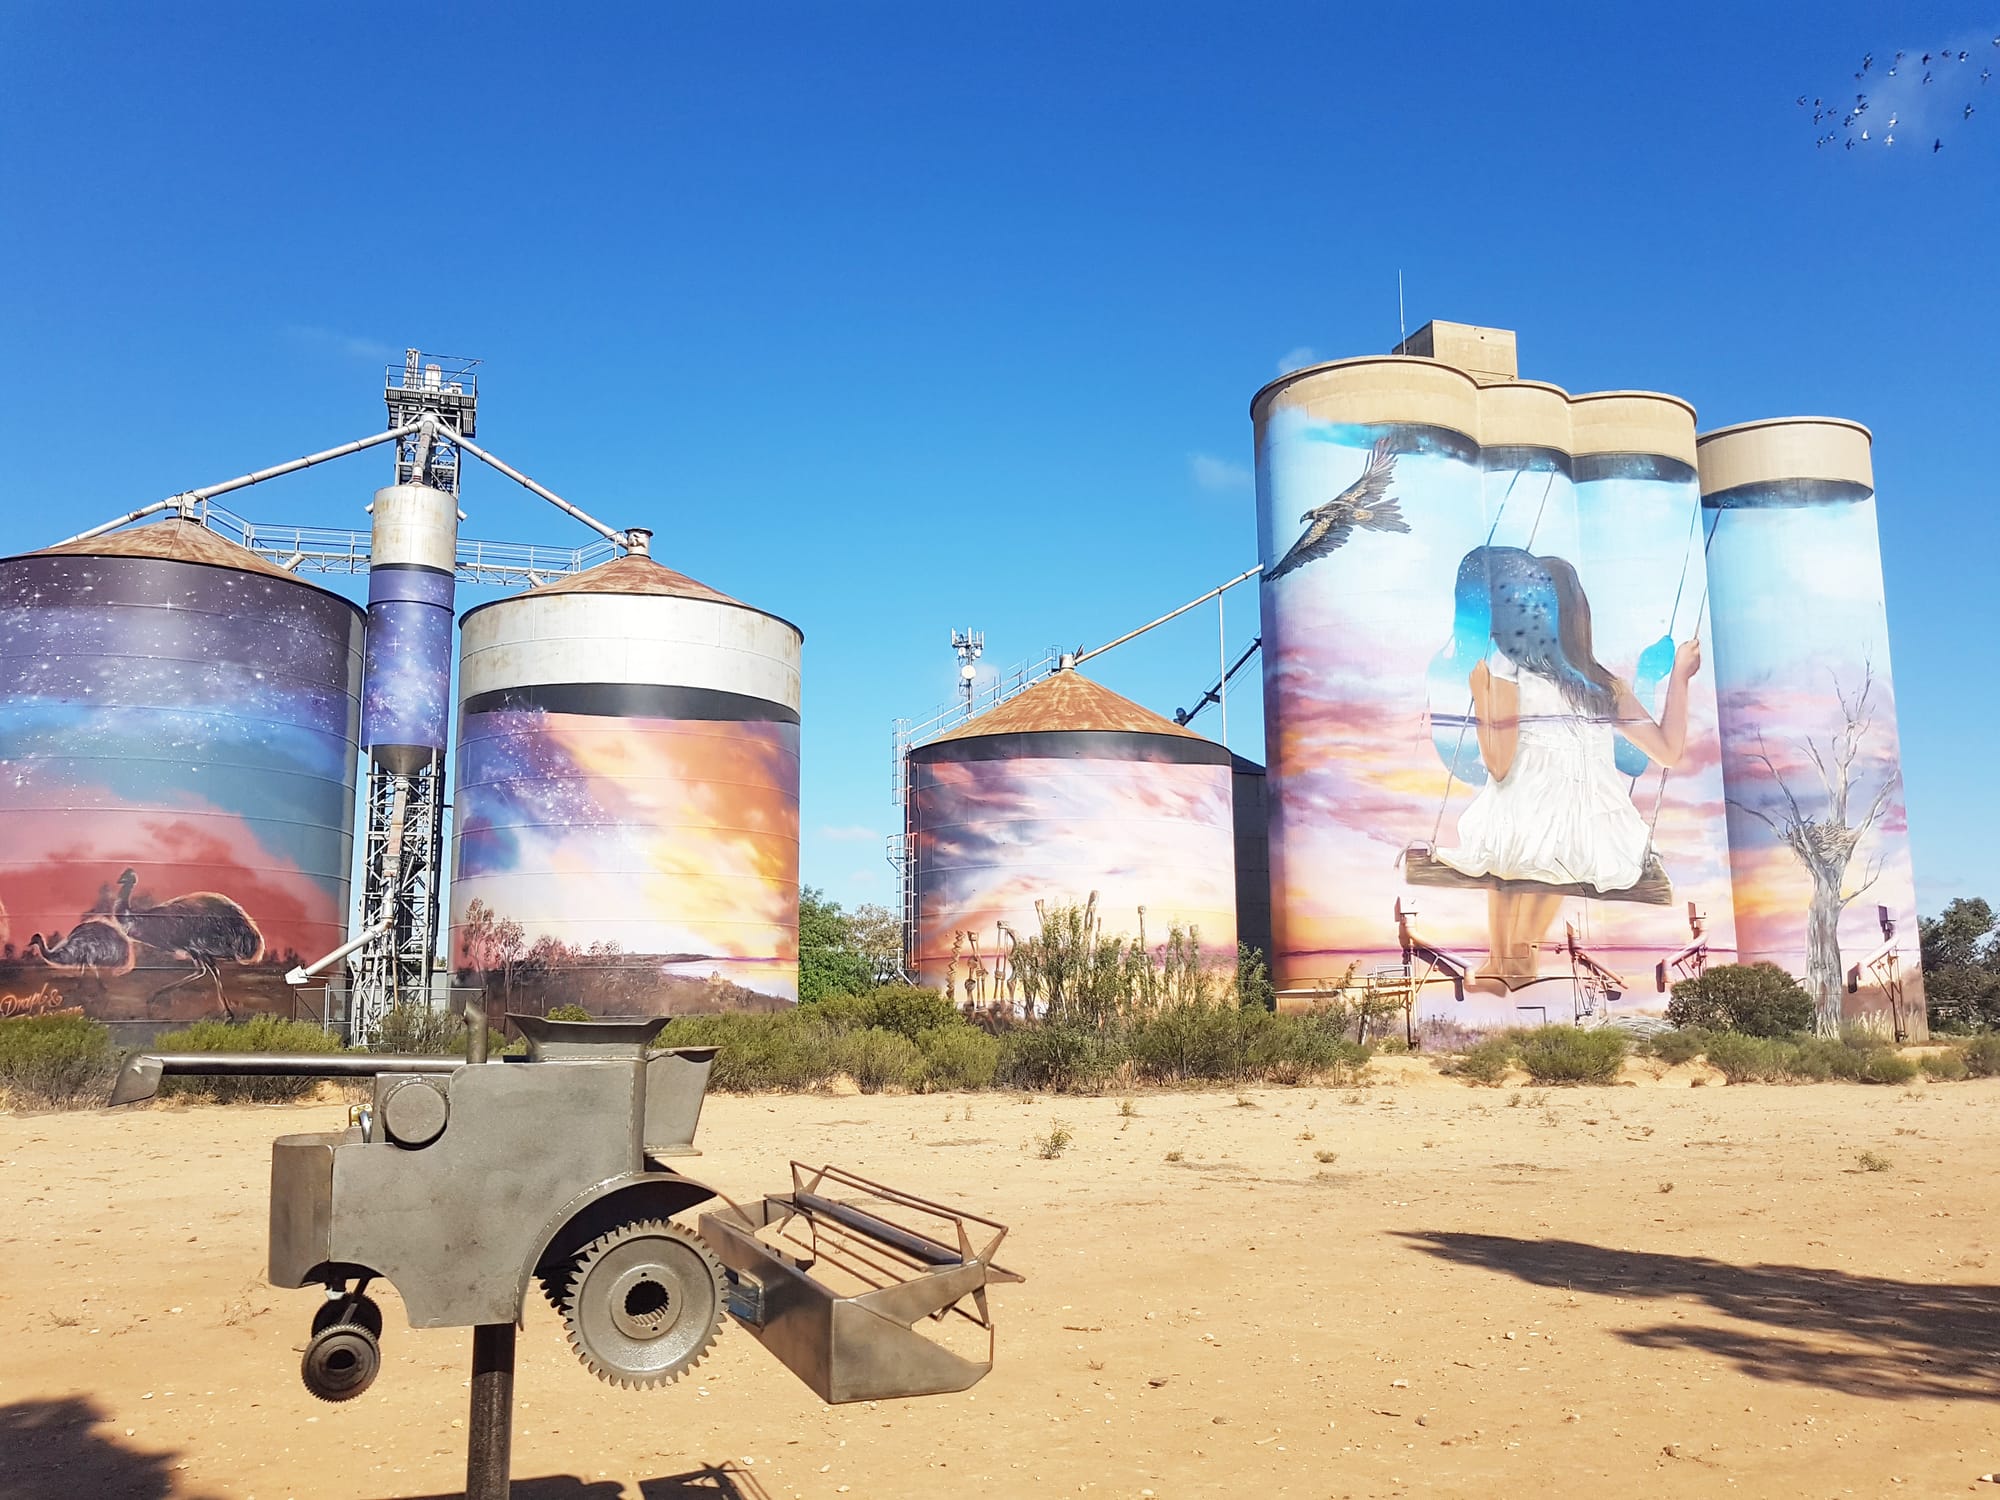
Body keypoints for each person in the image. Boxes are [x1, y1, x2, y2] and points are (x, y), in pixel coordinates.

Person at [1435, 551, 1702, 986]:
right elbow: (1669, 750)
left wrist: (1482, 694)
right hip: (1595, 836)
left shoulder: (1509, 672)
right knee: (1525, 829)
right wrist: (1680, 679)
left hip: (1537, 830)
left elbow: (1499, 766)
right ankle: (1513, 961)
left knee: (1510, 822)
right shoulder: (1603, 685)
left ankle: (1510, 959)